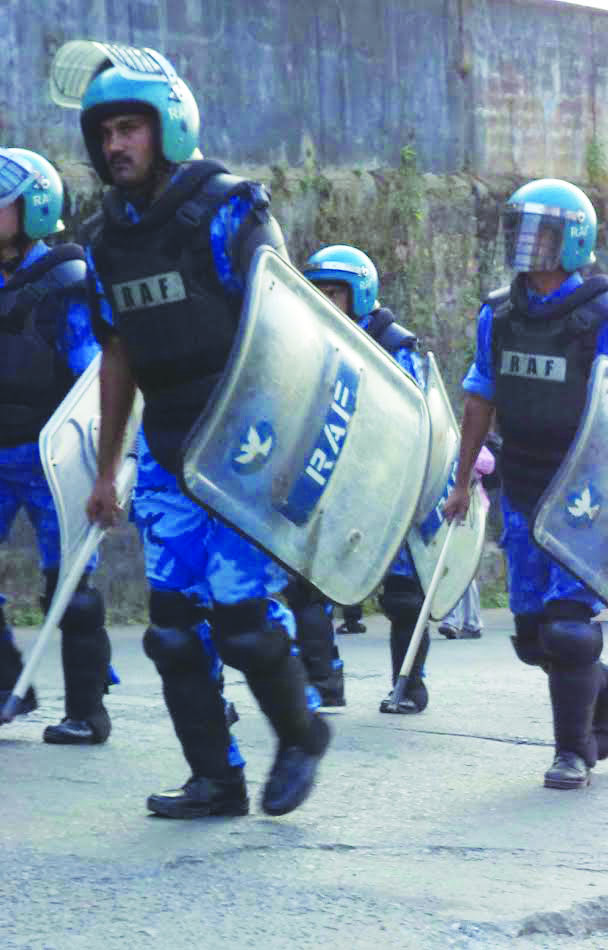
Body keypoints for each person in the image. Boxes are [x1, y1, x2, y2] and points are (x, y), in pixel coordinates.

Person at [72, 45, 328, 817]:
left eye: (130, 128)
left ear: (169, 127)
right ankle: (217, 779)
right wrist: (108, 466)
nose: (116, 145)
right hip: (168, 449)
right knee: (173, 632)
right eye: (106, 132)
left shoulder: (228, 209)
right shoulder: (104, 240)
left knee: (243, 625)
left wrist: (288, 446)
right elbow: (117, 353)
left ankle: (302, 732)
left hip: (245, 442)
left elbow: (289, 325)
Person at [440, 178, 608, 790]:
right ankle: (605, 687)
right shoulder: (498, 314)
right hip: (520, 485)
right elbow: (480, 394)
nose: (528, 246)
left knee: (571, 631)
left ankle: (572, 752)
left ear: (572, 241)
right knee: (533, 639)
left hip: (583, 494)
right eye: (519, 232)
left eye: (541, 235)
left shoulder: (606, 319)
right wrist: (462, 480)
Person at [0, 147, 114, 744]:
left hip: (51, 457)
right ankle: (5, 681)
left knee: (70, 587)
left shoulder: (65, 282)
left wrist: (105, 465)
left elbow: (94, 378)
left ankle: (87, 712)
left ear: (34, 208)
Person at [302, 243, 432, 712]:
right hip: (330, 477)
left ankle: (409, 683)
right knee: (307, 581)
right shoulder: (310, 341)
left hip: (386, 481)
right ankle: (323, 681)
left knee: (401, 595)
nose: (323, 301)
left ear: (359, 293)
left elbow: (418, 416)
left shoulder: (397, 346)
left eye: (333, 292)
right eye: (316, 291)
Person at [437, 442, 493, 641]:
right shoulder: (440, 443)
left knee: (463, 567)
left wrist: (465, 455)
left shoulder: (468, 443)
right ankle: (454, 620)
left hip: (472, 512)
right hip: (446, 510)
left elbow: (489, 464)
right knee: (448, 565)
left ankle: (468, 621)